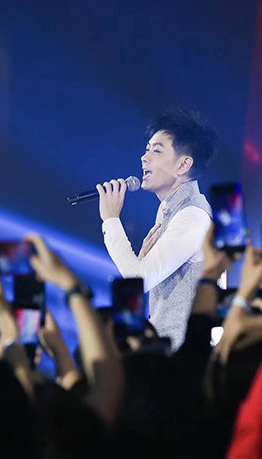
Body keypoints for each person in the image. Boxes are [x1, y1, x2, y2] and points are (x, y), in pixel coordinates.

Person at [96, 108, 217, 350]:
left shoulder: (192, 216)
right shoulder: (171, 212)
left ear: (183, 164)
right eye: (147, 149)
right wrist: (140, 260)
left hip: (186, 356)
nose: (144, 157)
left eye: (156, 151)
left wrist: (110, 220)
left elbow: (138, 280)